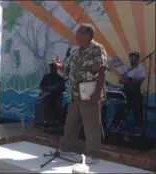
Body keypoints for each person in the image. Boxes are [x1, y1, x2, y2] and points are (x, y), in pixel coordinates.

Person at [55, 23, 108, 164]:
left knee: (91, 126)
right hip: (75, 95)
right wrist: (59, 67)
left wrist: (97, 92)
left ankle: (93, 155)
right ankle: (66, 149)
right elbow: (66, 73)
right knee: (71, 124)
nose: (76, 36)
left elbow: (102, 71)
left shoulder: (97, 49)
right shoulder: (75, 53)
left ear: (88, 35)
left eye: (79, 33)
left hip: (90, 94)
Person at [111, 52, 146, 135]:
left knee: (138, 108)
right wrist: (130, 80)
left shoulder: (141, 68)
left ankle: (138, 129)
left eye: (134, 57)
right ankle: (115, 126)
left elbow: (141, 79)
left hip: (136, 92)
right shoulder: (126, 69)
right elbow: (121, 80)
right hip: (126, 91)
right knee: (122, 107)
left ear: (137, 59)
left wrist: (129, 79)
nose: (132, 59)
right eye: (131, 57)